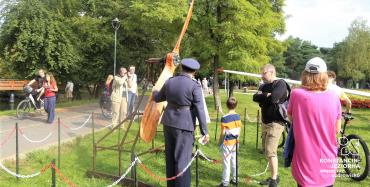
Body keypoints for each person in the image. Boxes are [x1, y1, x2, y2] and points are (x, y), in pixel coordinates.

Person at [153, 58, 210, 187]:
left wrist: (155, 91)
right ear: (194, 71)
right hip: (184, 125)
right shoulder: (194, 85)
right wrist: (204, 131)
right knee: (182, 161)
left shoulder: (170, 81)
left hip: (168, 123)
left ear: (181, 68)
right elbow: (200, 109)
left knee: (170, 159)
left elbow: (158, 98)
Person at [288, 57, 341, 187]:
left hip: (305, 163)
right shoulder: (334, 96)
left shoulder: (296, 94)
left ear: (305, 74)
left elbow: (291, 117)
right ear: (324, 76)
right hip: (327, 162)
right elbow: (337, 129)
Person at [252, 64, 288, 187]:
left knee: (271, 152)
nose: (262, 75)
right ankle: (275, 175)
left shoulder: (280, 84)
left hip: (276, 123)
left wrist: (265, 96)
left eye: (264, 73)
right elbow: (254, 97)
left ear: (271, 72)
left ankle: (273, 181)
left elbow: (274, 98)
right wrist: (265, 95)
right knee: (267, 151)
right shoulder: (263, 85)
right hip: (265, 122)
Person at [218, 97, 241, 187]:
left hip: (227, 143)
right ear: (236, 106)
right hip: (235, 142)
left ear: (227, 105)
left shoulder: (224, 118)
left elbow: (223, 133)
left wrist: (219, 142)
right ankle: (235, 179)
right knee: (234, 161)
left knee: (226, 163)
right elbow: (239, 130)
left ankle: (225, 182)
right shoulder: (238, 116)